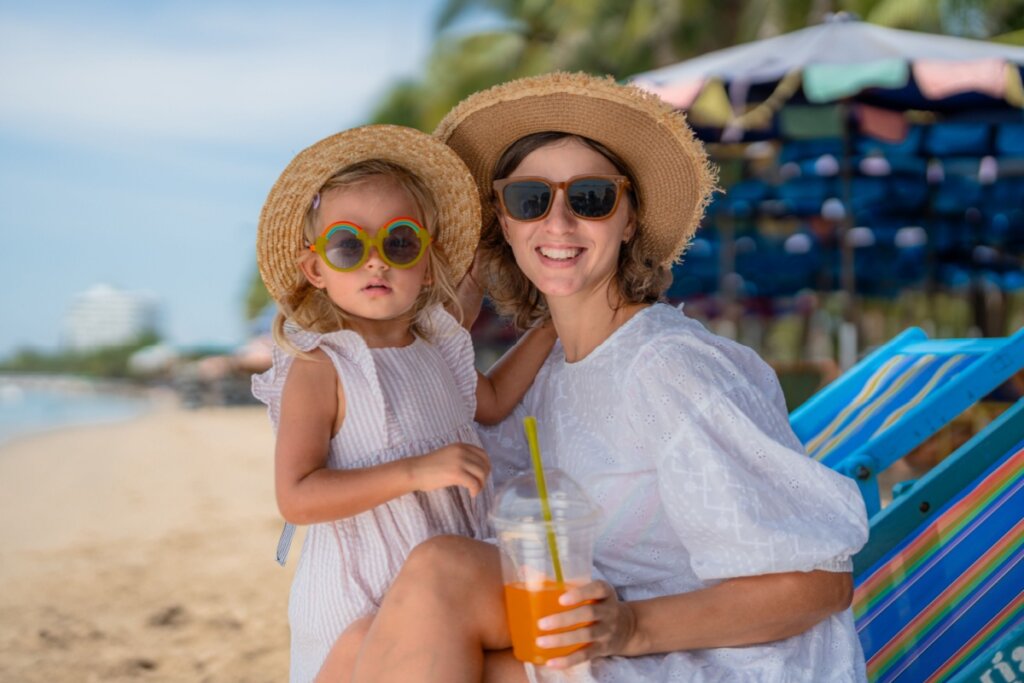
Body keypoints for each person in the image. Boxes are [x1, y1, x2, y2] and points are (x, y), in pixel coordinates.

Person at [350, 73, 870, 682]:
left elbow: (821, 586)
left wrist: (631, 626)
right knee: (361, 640)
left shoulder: (670, 367)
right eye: (529, 200)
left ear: (629, 219)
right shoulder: (544, 372)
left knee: (440, 578)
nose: (559, 222)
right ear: (504, 221)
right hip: (601, 636)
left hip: (711, 657)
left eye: (592, 198)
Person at [251, 124, 556, 683]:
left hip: (445, 585)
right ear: (315, 268)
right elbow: (296, 497)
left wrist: (552, 325)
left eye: (399, 242)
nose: (375, 261)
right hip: (356, 595)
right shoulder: (322, 365)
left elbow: (490, 401)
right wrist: (417, 471)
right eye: (348, 245)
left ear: (425, 260)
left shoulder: (437, 346)